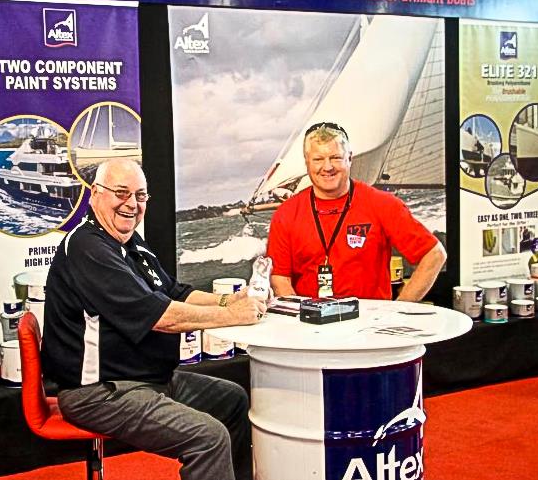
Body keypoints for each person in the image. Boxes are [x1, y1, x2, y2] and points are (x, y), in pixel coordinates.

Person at [42, 158, 265, 480]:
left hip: (149, 380)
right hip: (99, 393)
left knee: (232, 400)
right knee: (208, 437)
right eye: (121, 193)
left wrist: (228, 300)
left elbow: (175, 291)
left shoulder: (129, 242)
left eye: (140, 195)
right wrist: (231, 315)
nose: (131, 204)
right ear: (95, 194)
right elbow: (161, 317)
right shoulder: (87, 247)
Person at [267, 122, 446, 301]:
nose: (327, 167)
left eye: (336, 158)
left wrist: (400, 308)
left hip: (369, 318)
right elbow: (280, 278)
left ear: (350, 158)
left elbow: (434, 254)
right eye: (318, 159)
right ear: (307, 162)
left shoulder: (382, 204)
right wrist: (300, 314)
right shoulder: (286, 213)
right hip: (310, 317)